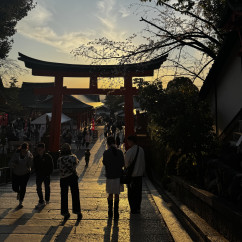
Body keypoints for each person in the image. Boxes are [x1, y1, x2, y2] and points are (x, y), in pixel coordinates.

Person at [58, 143, 82, 220]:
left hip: (63, 178)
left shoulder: (60, 159)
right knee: (75, 194)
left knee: (64, 196)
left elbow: (59, 168)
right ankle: (77, 212)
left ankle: (65, 213)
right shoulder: (73, 157)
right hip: (72, 177)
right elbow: (76, 164)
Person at [103, 136, 124, 219]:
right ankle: (116, 212)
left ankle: (110, 211)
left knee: (110, 194)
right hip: (118, 175)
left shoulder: (106, 152)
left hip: (110, 175)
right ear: (115, 142)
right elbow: (123, 163)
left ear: (107, 143)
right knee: (117, 194)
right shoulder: (120, 152)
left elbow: (105, 162)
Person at [124, 135, 145, 214]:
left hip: (132, 176)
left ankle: (133, 208)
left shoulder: (129, 151)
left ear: (132, 141)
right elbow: (143, 162)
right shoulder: (141, 150)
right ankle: (138, 207)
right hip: (139, 175)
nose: (128, 143)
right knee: (138, 193)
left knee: (131, 193)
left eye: (128, 141)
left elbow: (126, 164)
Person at [9, 142, 33, 208]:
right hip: (16, 173)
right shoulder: (16, 154)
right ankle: (18, 192)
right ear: (21, 149)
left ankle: (21, 201)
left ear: (27, 149)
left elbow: (31, 165)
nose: (24, 152)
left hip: (25, 173)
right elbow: (10, 163)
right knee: (14, 187)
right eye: (22, 151)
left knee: (23, 187)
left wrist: (30, 160)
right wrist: (13, 164)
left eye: (25, 151)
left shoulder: (29, 155)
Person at [33, 143, 54, 209]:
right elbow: (35, 166)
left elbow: (51, 166)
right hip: (39, 175)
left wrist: (49, 173)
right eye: (38, 149)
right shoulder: (36, 157)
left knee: (47, 187)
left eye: (40, 149)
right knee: (38, 188)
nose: (39, 150)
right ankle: (41, 200)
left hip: (46, 175)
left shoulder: (48, 156)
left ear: (43, 149)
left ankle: (47, 199)